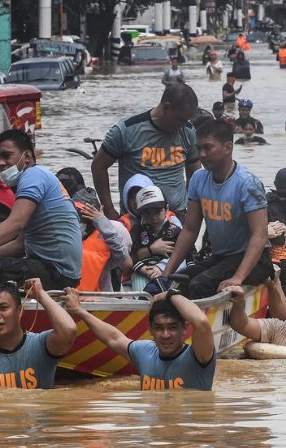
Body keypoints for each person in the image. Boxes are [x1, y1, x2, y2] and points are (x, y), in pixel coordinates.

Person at [161, 120, 273, 299]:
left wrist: (238, 278)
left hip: (255, 260)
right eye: (199, 148)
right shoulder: (198, 179)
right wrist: (166, 273)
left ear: (228, 147)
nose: (202, 154)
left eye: (208, 148)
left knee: (200, 285)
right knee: (181, 281)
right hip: (221, 257)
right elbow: (190, 229)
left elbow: (259, 236)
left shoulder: (247, 183)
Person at [0, 129, 82, 290]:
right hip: (53, 270)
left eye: (6, 156)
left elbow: (15, 224)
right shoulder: (36, 178)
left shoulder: (33, 175)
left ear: (27, 157)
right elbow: (19, 245)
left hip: (57, 273)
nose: (1, 163)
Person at [61, 287, 216, 390]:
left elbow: (201, 322)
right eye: (159, 328)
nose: (166, 335)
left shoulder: (199, 356)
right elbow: (114, 338)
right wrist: (79, 311)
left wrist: (170, 294)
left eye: (173, 327)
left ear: (184, 329)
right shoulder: (144, 352)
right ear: (150, 330)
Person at [91, 83, 200, 221]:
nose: (183, 126)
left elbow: (195, 173)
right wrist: (109, 209)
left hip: (176, 217)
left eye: (186, 121)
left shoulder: (188, 132)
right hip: (137, 218)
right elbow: (98, 166)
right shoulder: (126, 130)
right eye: (180, 120)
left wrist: (192, 209)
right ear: (166, 107)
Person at [129, 186, 189, 293]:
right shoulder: (136, 231)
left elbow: (187, 254)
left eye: (157, 212)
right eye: (147, 213)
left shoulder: (175, 230)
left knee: (172, 290)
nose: (153, 217)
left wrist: (161, 268)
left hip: (169, 270)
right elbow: (131, 255)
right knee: (141, 295)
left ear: (166, 208)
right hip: (143, 271)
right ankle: (139, 305)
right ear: (140, 213)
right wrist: (142, 268)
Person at [73, 187, 130, 292]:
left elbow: (121, 255)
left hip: (99, 298)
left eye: (87, 215)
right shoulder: (65, 236)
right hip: (68, 296)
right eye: (78, 215)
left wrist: (101, 221)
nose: (80, 221)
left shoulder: (107, 235)